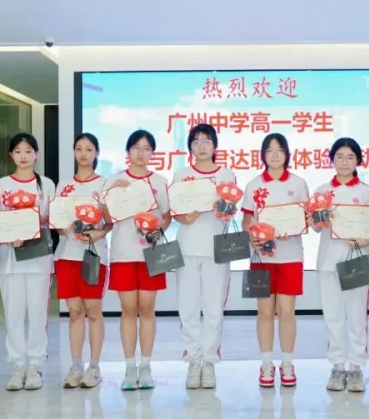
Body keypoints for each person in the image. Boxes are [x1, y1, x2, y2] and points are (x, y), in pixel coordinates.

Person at [103, 129, 171, 391]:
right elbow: (106, 218)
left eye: (146, 148)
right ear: (128, 151)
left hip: (151, 253)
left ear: (152, 153)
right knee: (128, 309)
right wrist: (113, 194)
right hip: (123, 253)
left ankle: (146, 366)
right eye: (136, 148)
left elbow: (167, 216)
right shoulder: (114, 180)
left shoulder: (160, 181)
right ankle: (130, 367)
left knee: (147, 308)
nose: (141, 153)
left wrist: (156, 228)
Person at [242, 133, 310, 388]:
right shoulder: (253, 184)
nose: (274, 155)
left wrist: (297, 226)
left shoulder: (298, 183)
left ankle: (288, 363)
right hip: (261, 258)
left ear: (287, 154)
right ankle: (267, 363)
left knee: (287, 311)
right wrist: (253, 235)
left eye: (279, 150)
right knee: (264, 311)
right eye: (269, 150)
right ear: (263, 154)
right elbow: (247, 221)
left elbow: (305, 218)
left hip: (291, 256)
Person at [172, 124, 237, 390]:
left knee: (213, 307)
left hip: (216, 249)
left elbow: (230, 210)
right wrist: (183, 218)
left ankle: (209, 360)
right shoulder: (181, 175)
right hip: (187, 247)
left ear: (215, 145)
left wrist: (224, 210)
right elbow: (175, 211)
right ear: (190, 147)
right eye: (196, 141)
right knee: (187, 307)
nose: (201, 146)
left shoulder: (226, 175)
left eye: (206, 141)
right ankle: (193, 359)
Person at [0, 133, 56, 391]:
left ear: (36, 154)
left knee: (38, 312)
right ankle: (18, 365)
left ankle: (35, 365)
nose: (23, 156)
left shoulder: (46, 185)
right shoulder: (1, 184)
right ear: (11, 155)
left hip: (39, 257)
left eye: (28, 151)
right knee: (13, 313)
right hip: (10, 258)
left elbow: (53, 218)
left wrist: (35, 220)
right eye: (18, 151)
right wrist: (11, 235)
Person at [312, 137, 369, 393]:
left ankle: (356, 367)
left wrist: (366, 239)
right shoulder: (322, 190)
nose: (345, 162)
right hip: (328, 261)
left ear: (358, 160)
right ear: (332, 160)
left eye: (350, 157)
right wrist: (321, 220)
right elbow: (315, 227)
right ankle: (337, 366)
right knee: (333, 317)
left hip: (357, 259)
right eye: (339, 157)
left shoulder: (368, 191)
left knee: (357, 317)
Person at [54, 133, 111, 389]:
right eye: (79, 149)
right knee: (75, 312)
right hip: (67, 255)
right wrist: (64, 227)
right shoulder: (64, 185)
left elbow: (110, 221)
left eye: (89, 149)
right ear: (74, 152)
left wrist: (99, 232)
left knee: (93, 311)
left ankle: (94, 366)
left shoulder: (105, 184)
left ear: (96, 153)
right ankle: (76, 365)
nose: (84, 154)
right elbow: (57, 223)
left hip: (93, 255)